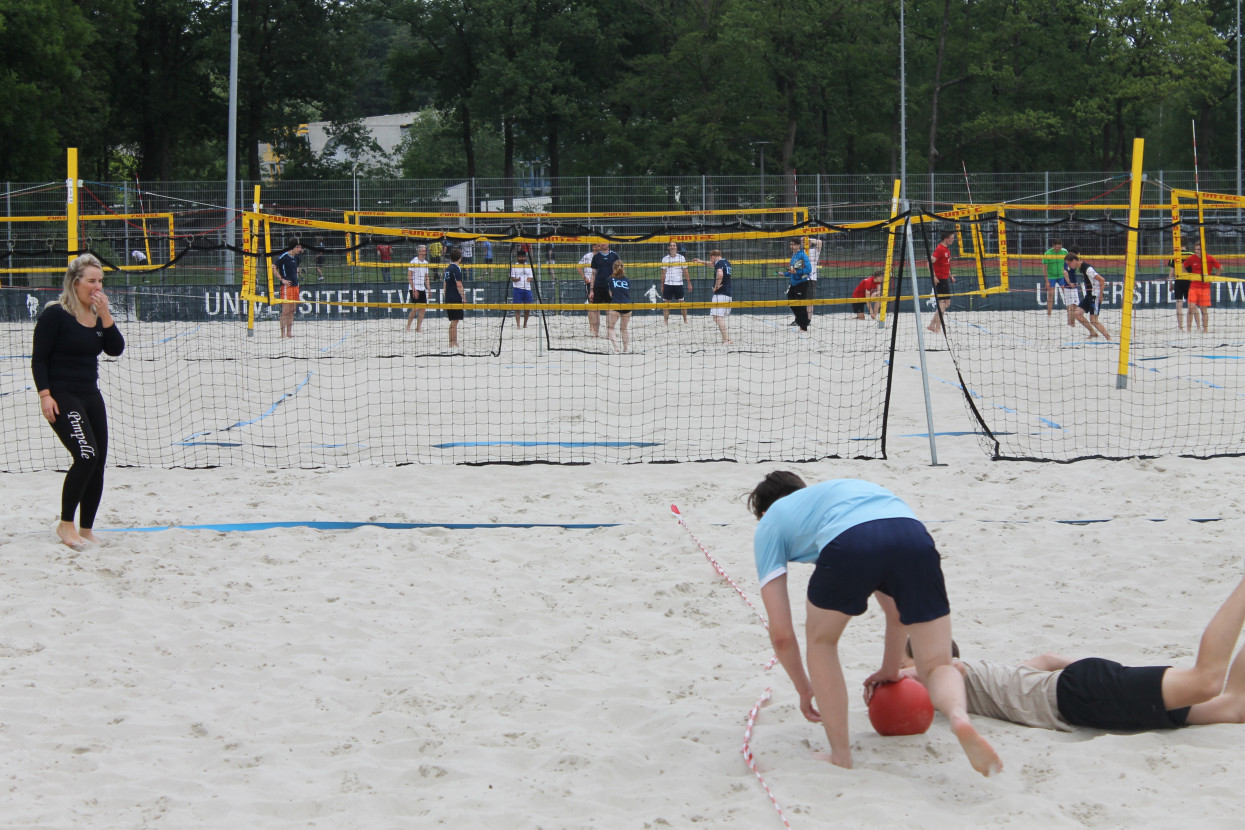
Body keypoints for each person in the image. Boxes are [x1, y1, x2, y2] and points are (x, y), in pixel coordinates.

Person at [747, 471, 1002, 776]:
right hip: (912, 534)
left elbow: (782, 637)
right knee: (937, 663)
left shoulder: (770, 523)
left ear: (763, 513)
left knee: (822, 642)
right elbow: (895, 613)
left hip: (850, 541)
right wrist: (890, 669)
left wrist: (804, 689)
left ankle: (841, 754)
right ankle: (959, 716)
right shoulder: (835, 495)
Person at [897, 572, 1245, 734]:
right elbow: (1048, 658)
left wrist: (896, 676)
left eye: (904, 662)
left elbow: (945, 669)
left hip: (1080, 693)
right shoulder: (1000, 674)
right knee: (1232, 707)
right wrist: (1116, 673)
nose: (904, 673)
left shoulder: (950, 670)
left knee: (1206, 680)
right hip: (1087, 695)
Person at [30, 253, 125, 549]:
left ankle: (86, 529)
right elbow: (39, 360)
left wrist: (106, 315)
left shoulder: (97, 316)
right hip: (62, 395)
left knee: (98, 463)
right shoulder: (55, 314)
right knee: (86, 456)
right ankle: (65, 524)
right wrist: (45, 396)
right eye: (91, 281)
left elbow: (115, 349)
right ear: (75, 282)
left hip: (90, 395)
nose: (97, 287)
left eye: (101, 281)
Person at [1065, 253, 1111, 340]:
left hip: (1095, 295)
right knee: (1077, 314)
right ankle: (1093, 333)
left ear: (1074, 261)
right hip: (1089, 295)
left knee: (1093, 320)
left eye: (1069, 263)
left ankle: (1108, 338)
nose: (1069, 266)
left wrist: (1101, 296)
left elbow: (1102, 280)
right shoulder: (1081, 268)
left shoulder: (1087, 269)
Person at [1183, 242, 1220, 334]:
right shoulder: (1192, 258)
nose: (1197, 251)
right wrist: (1188, 276)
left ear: (1203, 250)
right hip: (1194, 286)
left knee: (1204, 309)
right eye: (1196, 249)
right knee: (1191, 307)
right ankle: (1188, 329)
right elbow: (1182, 266)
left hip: (1205, 287)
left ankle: (1205, 330)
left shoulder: (1209, 258)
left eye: (1199, 249)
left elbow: (1220, 268)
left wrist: (1213, 278)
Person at [927, 229, 955, 334]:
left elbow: (945, 264)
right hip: (940, 280)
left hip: (944, 278)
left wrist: (950, 275)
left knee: (944, 303)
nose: (953, 240)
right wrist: (933, 276)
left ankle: (932, 325)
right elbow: (929, 262)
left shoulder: (947, 249)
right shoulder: (940, 249)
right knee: (944, 303)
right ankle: (937, 327)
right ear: (946, 239)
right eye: (952, 238)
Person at [590, 242, 621, 338]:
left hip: (610, 286)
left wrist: (616, 287)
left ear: (608, 243)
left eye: (605, 242)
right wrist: (591, 289)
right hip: (598, 286)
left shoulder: (614, 256)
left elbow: (619, 273)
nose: (603, 243)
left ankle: (609, 332)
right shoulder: (596, 257)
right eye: (602, 242)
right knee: (595, 310)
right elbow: (593, 273)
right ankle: (596, 333)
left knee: (610, 310)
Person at [784, 239, 813, 332]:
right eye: (791, 244)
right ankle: (801, 321)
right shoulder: (794, 256)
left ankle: (803, 327)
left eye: (794, 244)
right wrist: (786, 273)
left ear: (798, 245)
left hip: (802, 284)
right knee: (791, 300)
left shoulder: (802, 255)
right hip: (794, 283)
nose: (792, 246)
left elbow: (809, 269)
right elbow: (792, 270)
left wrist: (796, 271)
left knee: (801, 305)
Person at [276, 242, 303, 338]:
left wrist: (299, 272)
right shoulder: (283, 256)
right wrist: (281, 279)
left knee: (292, 310)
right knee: (285, 311)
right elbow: (273, 267)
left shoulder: (296, 257)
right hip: (287, 287)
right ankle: (282, 334)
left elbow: (295, 269)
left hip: (295, 286)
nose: (300, 249)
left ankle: (289, 333)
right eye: (298, 247)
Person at [660, 241, 691, 324]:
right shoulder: (665, 259)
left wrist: (689, 283)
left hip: (678, 283)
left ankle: (685, 320)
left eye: (674, 246)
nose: (672, 247)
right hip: (668, 284)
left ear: (677, 247)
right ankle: (665, 321)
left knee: (682, 303)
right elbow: (663, 273)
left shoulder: (681, 258)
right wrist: (662, 285)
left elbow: (686, 271)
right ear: (668, 247)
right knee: (666, 303)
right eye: (671, 246)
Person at [605, 260, 632, 353]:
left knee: (610, 328)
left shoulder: (609, 279)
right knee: (624, 329)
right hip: (627, 305)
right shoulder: (627, 280)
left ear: (613, 268)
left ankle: (617, 348)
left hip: (616, 304)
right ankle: (625, 349)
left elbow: (610, 294)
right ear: (623, 268)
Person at [707, 248, 732, 344]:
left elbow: (720, 274)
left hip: (720, 294)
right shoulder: (727, 262)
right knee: (718, 317)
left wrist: (716, 286)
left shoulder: (718, 263)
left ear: (713, 257)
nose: (711, 261)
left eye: (711, 259)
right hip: (728, 293)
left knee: (717, 317)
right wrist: (700, 262)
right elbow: (712, 265)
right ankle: (726, 338)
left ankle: (726, 339)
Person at [405, 244, 432, 332]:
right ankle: (408, 326)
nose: (425, 252)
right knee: (415, 308)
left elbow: (427, 277)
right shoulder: (414, 261)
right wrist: (413, 289)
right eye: (424, 251)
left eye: (425, 250)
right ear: (419, 252)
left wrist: (429, 289)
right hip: (414, 287)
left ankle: (418, 328)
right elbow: (409, 276)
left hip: (422, 288)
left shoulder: (426, 263)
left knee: (423, 308)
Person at [443, 247, 466, 348]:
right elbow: (459, 284)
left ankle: (451, 342)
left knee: (453, 321)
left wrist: (446, 296)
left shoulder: (448, 269)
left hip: (448, 297)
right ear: (460, 258)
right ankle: (453, 342)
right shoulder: (456, 268)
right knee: (455, 321)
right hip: (455, 297)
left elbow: (444, 285)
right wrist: (464, 298)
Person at [1167, 248, 1194, 332]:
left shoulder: (1175, 255)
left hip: (1178, 279)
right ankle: (1195, 327)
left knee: (1179, 303)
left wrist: (1170, 283)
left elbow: (1172, 271)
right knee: (1192, 304)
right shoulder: (1192, 254)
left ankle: (1180, 328)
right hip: (1189, 280)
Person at [510, 248, 535, 329]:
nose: (522, 258)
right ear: (517, 257)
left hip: (527, 288)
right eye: (520, 257)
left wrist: (530, 279)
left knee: (527, 308)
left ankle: (525, 324)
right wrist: (516, 279)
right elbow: (512, 278)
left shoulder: (528, 266)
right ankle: (518, 325)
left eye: (523, 257)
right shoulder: (514, 266)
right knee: (517, 308)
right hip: (517, 288)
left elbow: (531, 276)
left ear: (525, 257)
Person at [1042, 239, 1067, 317]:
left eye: (1059, 247)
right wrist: (1047, 281)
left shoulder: (1065, 252)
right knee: (1050, 294)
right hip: (1051, 276)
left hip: (1061, 276)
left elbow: (1067, 264)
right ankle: (1049, 314)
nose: (1058, 249)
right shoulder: (1047, 253)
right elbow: (1044, 268)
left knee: (1067, 293)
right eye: (1056, 248)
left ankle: (1070, 311)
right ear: (1053, 246)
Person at [578, 243, 600, 335]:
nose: (600, 247)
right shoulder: (587, 256)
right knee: (591, 304)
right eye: (598, 246)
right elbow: (578, 266)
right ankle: (591, 327)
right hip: (589, 282)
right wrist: (584, 277)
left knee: (598, 306)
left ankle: (596, 328)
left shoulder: (602, 256)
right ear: (594, 247)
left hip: (600, 283)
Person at [806, 237, 822, 318]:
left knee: (810, 301)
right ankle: (798, 319)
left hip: (811, 279)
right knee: (798, 301)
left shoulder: (814, 251)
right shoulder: (799, 253)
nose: (805, 244)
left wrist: (808, 240)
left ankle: (808, 320)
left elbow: (819, 242)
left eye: (807, 242)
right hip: (800, 280)